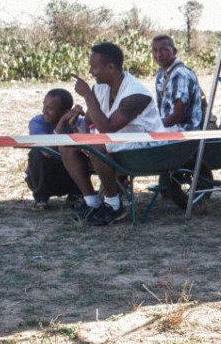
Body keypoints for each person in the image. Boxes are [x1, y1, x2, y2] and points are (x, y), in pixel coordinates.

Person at [60, 42, 164, 226]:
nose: (91, 72)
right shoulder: (100, 87)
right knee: (68, 146)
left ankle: (113, 205)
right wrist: (82, 134)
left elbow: (107, 128)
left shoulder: (136, 94)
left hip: (144, 147)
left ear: (110, 67)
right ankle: (91, 201)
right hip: (118, 142)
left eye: (94, 67)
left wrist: (87, 96)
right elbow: (89, 120)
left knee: (99, 146)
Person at [25, 88, 82, 209]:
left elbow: (88, 149)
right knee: (37, 151)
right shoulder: (37, 123)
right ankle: (41, 197)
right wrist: (62, 122)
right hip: (44, 177)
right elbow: (47, 152)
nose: (44, 111)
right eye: (44, 106)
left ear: (65, 111)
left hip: (68, 176)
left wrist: (74, 123)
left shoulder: (77, 122)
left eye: (50, 109)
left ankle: (76, 195)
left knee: (78, 152)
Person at [151, 35, 204, 130]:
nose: (159, 54)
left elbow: (178, 116)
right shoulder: (161, 72)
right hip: (169, 129)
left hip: (183, 132)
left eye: (164, 50)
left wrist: (155, 127)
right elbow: (161, 107)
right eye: (155, 50)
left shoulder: (180, 74)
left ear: (174, 51)